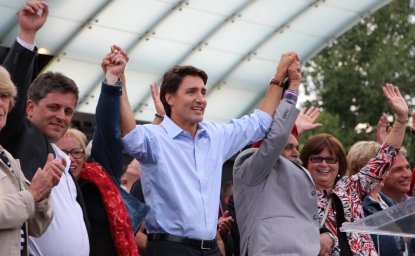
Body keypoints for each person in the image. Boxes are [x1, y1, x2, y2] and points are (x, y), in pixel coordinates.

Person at [102, 45, 299, 254]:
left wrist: (279, 78)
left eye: (203, 92)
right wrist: (118, 77)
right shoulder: (154, 137)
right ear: (169, 98)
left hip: (211, 249)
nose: (201, 99)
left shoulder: (216, 135)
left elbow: (260, 123)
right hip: (170, 249)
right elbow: (129, 134)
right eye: (191, 92)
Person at [0, 1, 90, 255]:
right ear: (28, 108)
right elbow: (8, 92)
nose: (61, 116)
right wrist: (27, 36)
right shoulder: (20, 138)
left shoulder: (64, 159)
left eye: (68, 111)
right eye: (53, 107)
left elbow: (38, 225)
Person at [299, 83, 408, 255]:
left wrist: (401, 119)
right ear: (305, 162)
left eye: (331, 159)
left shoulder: (350, 188)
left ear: (340, 164)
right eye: (317, 158)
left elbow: (386, 156)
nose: (324, 164)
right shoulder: (295, 194)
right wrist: (294, 130)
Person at [233, 59, 321, 255]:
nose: (297, 152)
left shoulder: (297, 172)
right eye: (288, 147)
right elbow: (275, 138)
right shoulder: (249, 168)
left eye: (296, 147)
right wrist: (293, 87)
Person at [0, 65, 66, 256]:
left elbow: (36, 227)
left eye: (4, 97)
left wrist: (44, 192)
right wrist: (33, 193)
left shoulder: (8, 158)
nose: (1, 105)